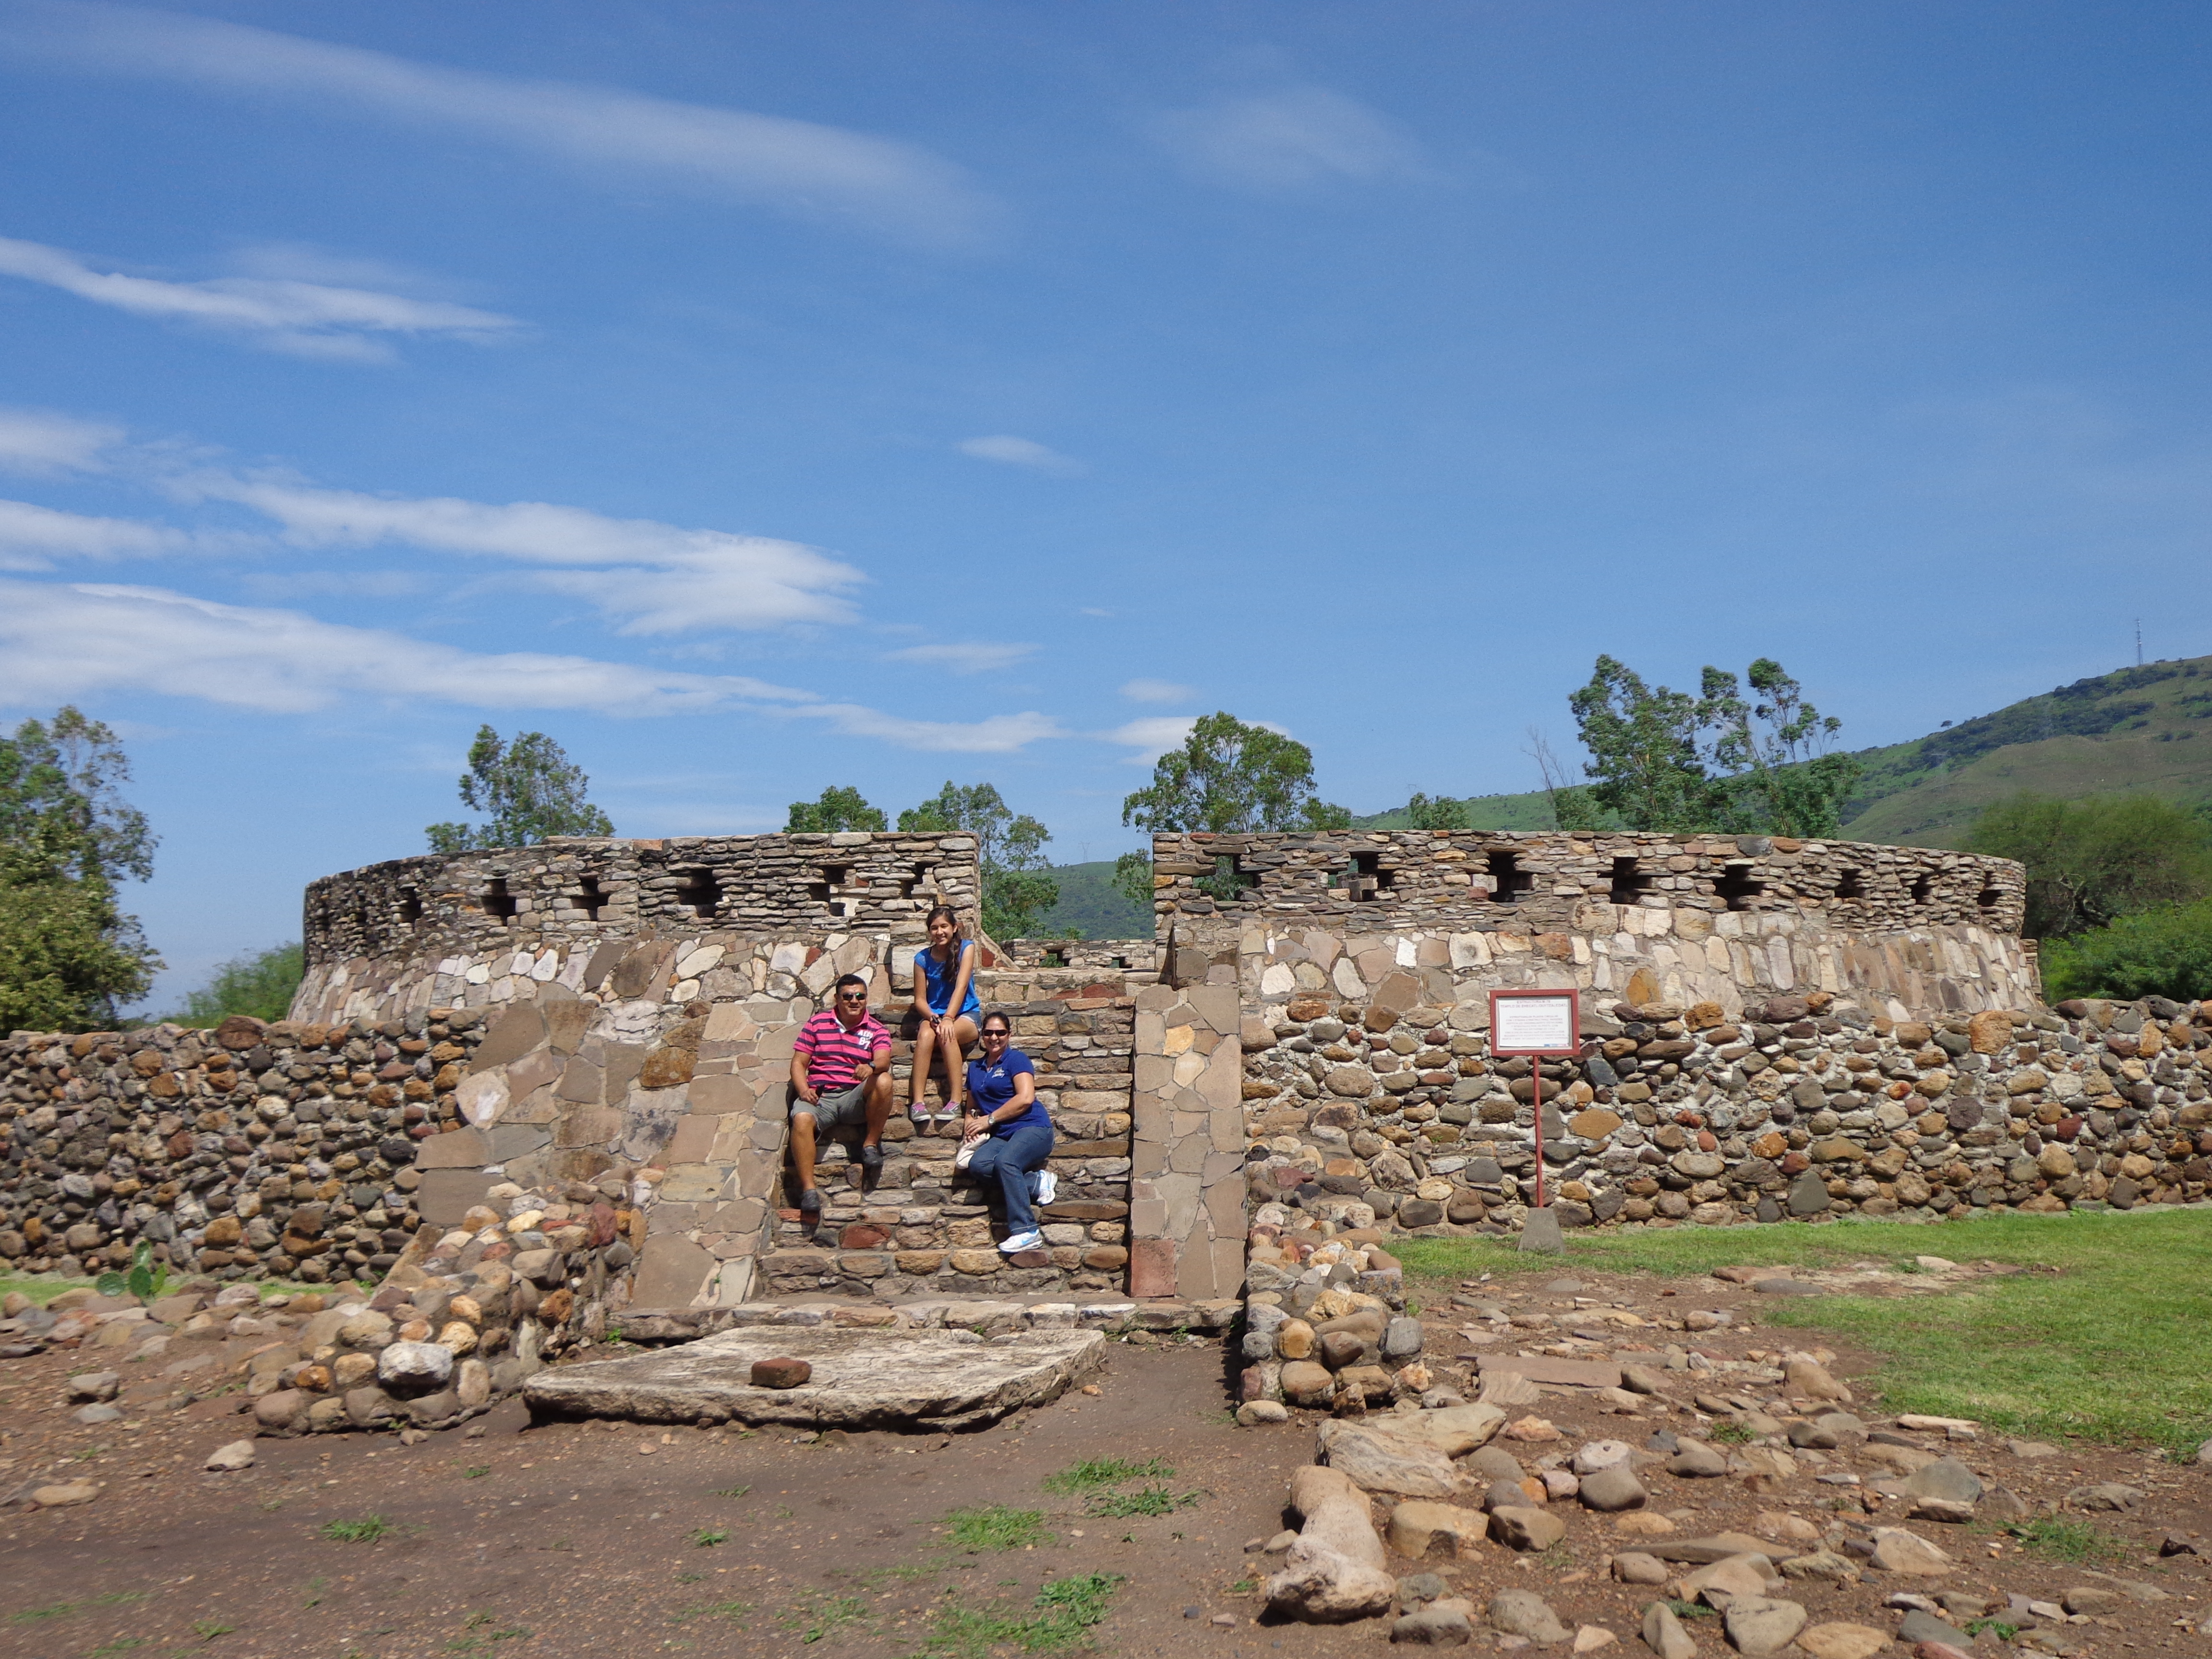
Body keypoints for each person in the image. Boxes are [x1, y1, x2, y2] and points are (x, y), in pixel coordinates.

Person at [787, 972, 892, 1216]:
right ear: (837, 999)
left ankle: (870, 1145)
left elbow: (884, 1060)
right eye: (848, 996)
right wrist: (803, 1090)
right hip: (820, 1097)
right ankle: (809, 1191)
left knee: (884, 1080)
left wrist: (871, 1067)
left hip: (853, 1097)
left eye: (860, 996)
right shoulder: (817, 1024)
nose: (855, 1001)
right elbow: (799, 1063)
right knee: (801, 1118)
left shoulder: (876, 1029)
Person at [962, 1008, 1057, 1255]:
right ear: (982, 1035)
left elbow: (1025, 1099)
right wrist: (970, 1126)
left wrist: (990, 1119)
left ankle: (1027, 1231)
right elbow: (971, 1107)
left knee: (1006, 1162)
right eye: (989, 1033)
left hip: (1033, 1128)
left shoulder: (1017, 1060)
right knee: (979, 1165)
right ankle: (1035, 1182)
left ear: (1009, 1035)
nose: (994, 1038)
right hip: (1003, 1134)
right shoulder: (975, 1068)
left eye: (1000, 1033)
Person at [908, 903, 980, 1126]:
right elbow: (920, 999)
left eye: (944, 927)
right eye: (934, 928)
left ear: (954, 927)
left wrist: (949, 1018)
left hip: (965, 1014)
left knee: (947, 1035)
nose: (939, 932)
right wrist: (932, 1017)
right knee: (926, 1035)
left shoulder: (967, 948)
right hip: (935, 1016)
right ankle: (917, 1103)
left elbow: (961, 986)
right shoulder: (922, 959)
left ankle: (956, 1101)